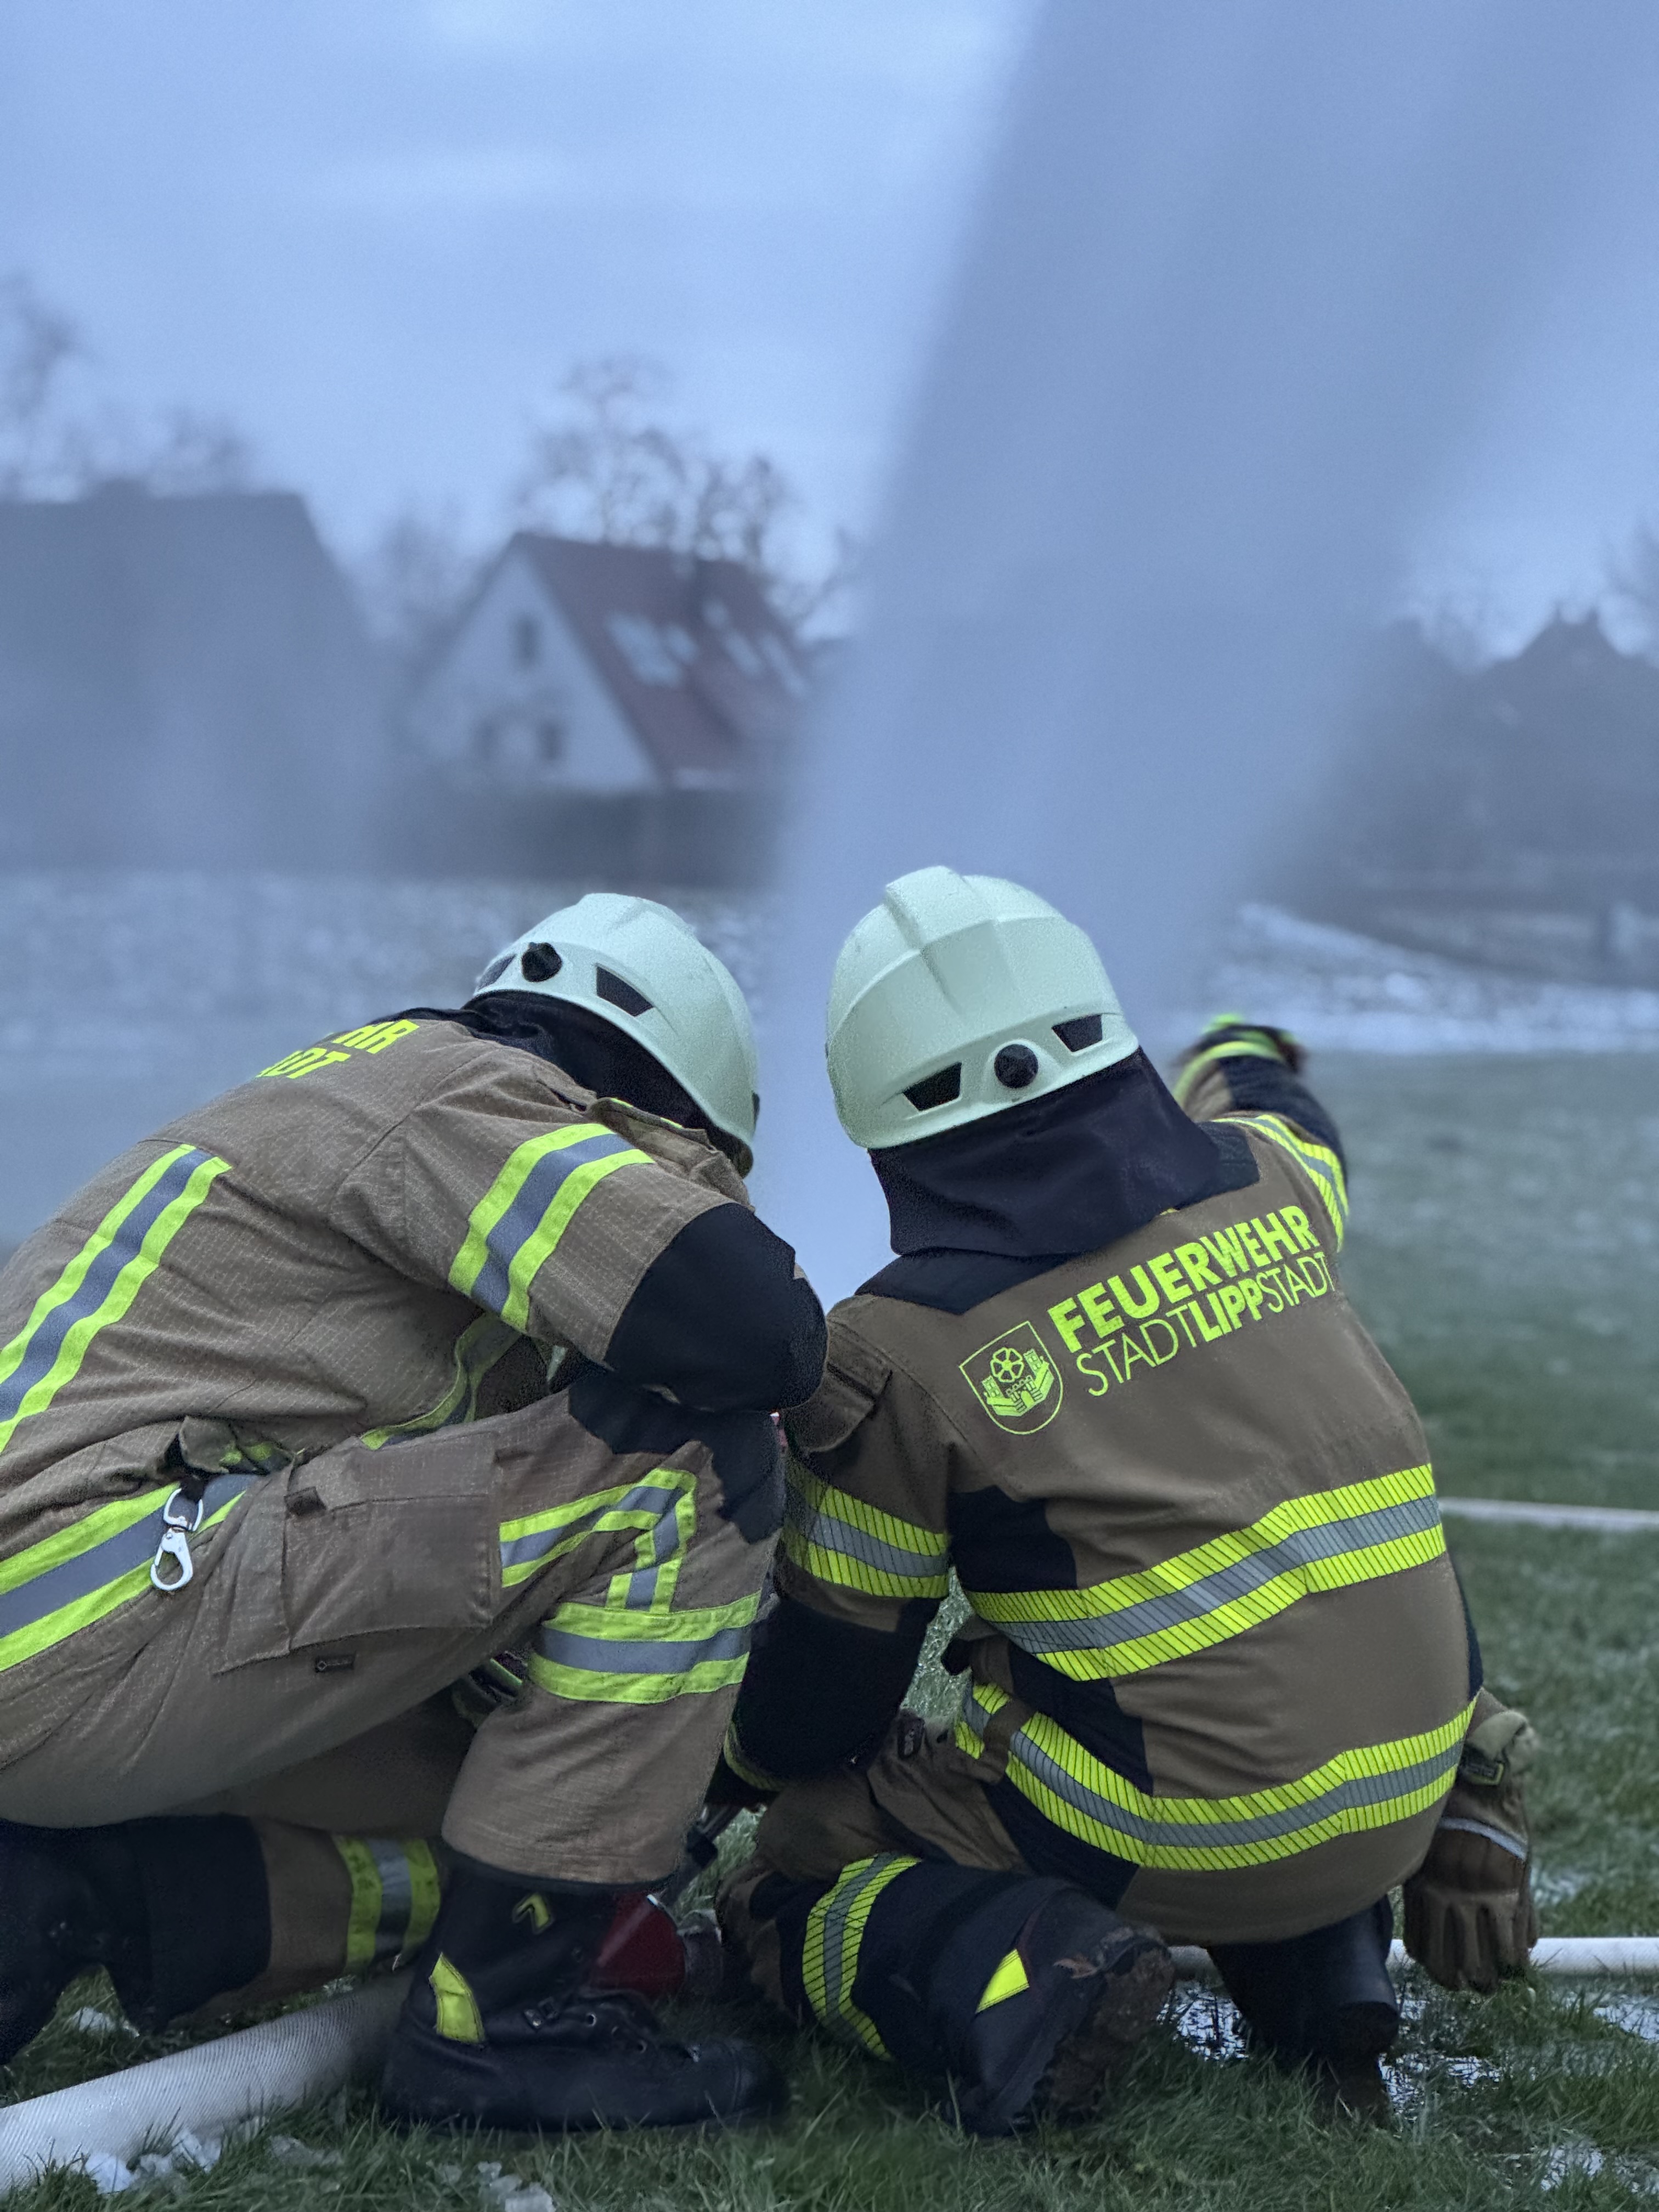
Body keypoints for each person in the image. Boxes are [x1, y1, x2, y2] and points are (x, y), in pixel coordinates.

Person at [714, 865, 1536, 2131]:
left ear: (879, 1122)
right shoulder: (1275, 1186)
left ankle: (1021, 1985)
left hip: (1175, 1836)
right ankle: (1317, 1962)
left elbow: (836, 1687)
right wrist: (1245, 1046)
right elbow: (1283, 1104)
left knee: (795, 1875)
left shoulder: (900, 1349)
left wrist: (729, 1764)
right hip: (1412, 1782)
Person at [0, 893, 826, 2134]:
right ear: (642, 1116)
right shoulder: (465, 1096)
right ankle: (508, 2033)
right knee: (683, 1463)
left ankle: (93, 1894)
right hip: (86, 1614)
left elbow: (400, 1540)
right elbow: (746, 1323)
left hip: (84, 1626)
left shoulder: (342, 1105)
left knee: (528, 1816)